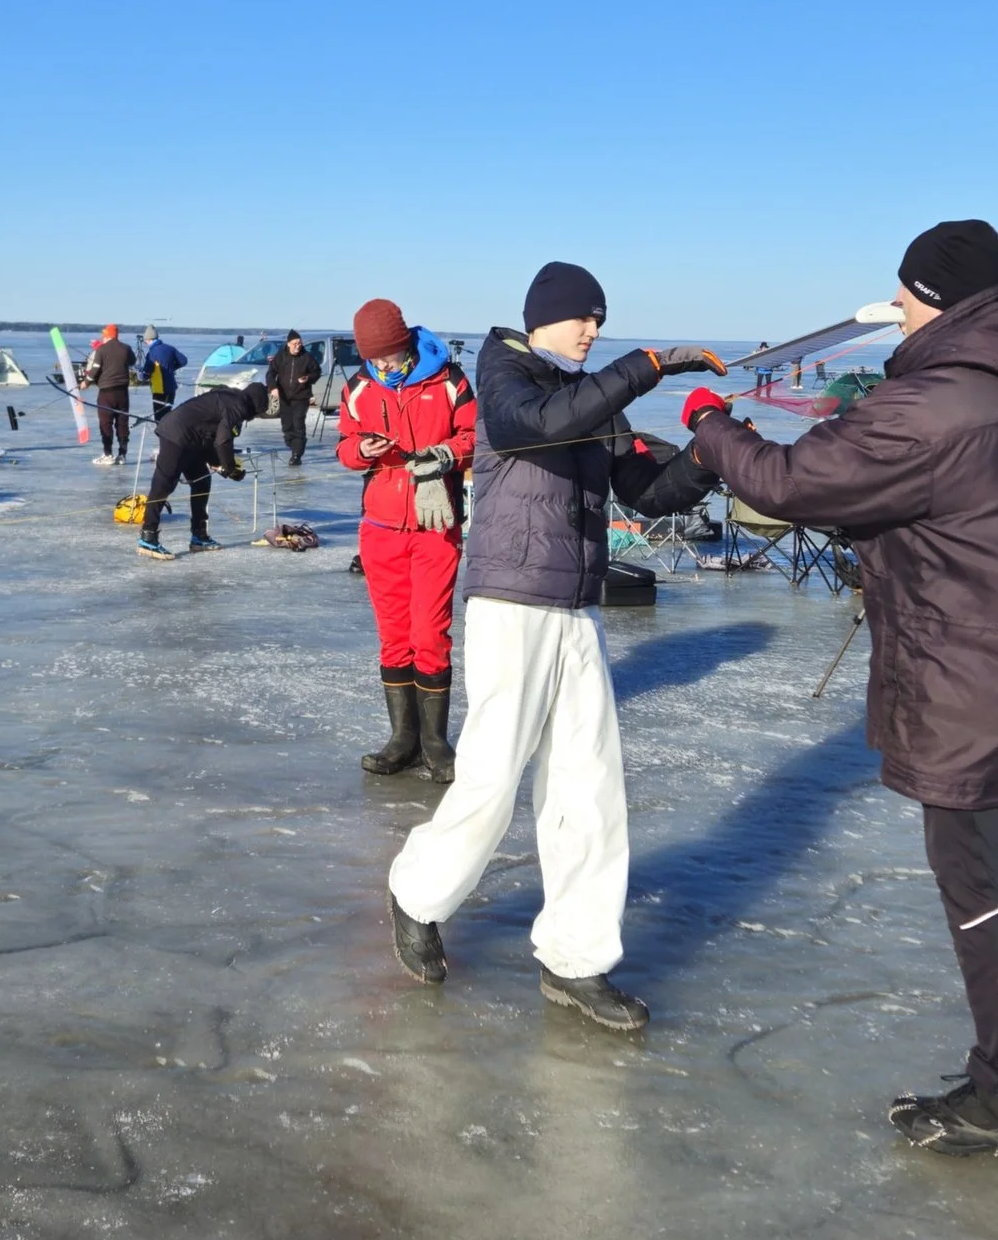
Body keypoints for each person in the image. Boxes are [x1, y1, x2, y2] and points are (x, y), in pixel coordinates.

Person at [679, 220, 998, 1163]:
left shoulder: (936, 402)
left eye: (907, 294)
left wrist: (711, 426)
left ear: (941, 297)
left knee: (976, 878)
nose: (898, 309)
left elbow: (791, 481)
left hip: (962, 672)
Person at [384, 261, 721, 1033]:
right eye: (583, 318)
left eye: (601, 321)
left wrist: (709, 454)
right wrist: (646, 366)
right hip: (511, 602)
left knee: (589, 785)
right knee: (493, 776)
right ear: (543, 316)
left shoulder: (590, 398)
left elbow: (646, 490)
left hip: (578, 609)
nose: (593, 330)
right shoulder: (505, 370)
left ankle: (576, 957)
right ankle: (417, 893)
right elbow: (528, 426)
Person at [336, 300, 475, 781]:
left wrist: (445, 455)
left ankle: (435, 744)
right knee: (394, 637)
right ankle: (403, 740)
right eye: (373, 357)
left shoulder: (449, 381)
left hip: (435, 525)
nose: (382, 363)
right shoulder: (358, 387)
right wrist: (361, 449)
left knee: (429, 634)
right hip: (380, 528)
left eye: (389, 354)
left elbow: (474, 436)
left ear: (405, 343)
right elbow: (344, 445)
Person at [136, 380, 268, 560]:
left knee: (202, 480)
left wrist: (220, 464)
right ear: (256, 404)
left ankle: (199, 535)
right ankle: (148, 537)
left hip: (193, 439)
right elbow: (223, 440)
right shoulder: (238, 406)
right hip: (176, 434)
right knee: (164, 484)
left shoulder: (233, 399)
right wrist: (229, 468)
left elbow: (211, 435)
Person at [82, 324, 138, 465]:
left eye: (103, 335)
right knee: (122, 423)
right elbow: (133, 361)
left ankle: (108, 454)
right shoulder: (126, 348)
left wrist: (86, 383)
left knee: (106, 423)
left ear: (106, 336)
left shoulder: (101, 349)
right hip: (123, 393)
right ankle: (122, 455)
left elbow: (95, 370)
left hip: (106, 393)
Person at [267, 330, 323, 466]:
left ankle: (296, 455)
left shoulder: (306, 357)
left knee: (298, 424)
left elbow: (317, 371)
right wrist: (273, 387)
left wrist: (308, 378)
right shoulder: (281, 356)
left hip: (301, 396)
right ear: (288, 344)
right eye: (295, 343)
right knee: (287, 426)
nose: (298, 346)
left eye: (300, 343)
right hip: (284, 397)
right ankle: (294, 446)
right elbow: (271, 373)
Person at [142, 328, 187, 421]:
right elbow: (183, 361)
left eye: (145, 341)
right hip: (171, 388)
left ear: (149, 339)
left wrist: (141, 376)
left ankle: (161, 430)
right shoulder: (170, 348)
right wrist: (172, 368)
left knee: (159, 417)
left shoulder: (151, 353)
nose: (145, 343)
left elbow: (147, 373)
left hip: (159, 390)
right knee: (168, 415)